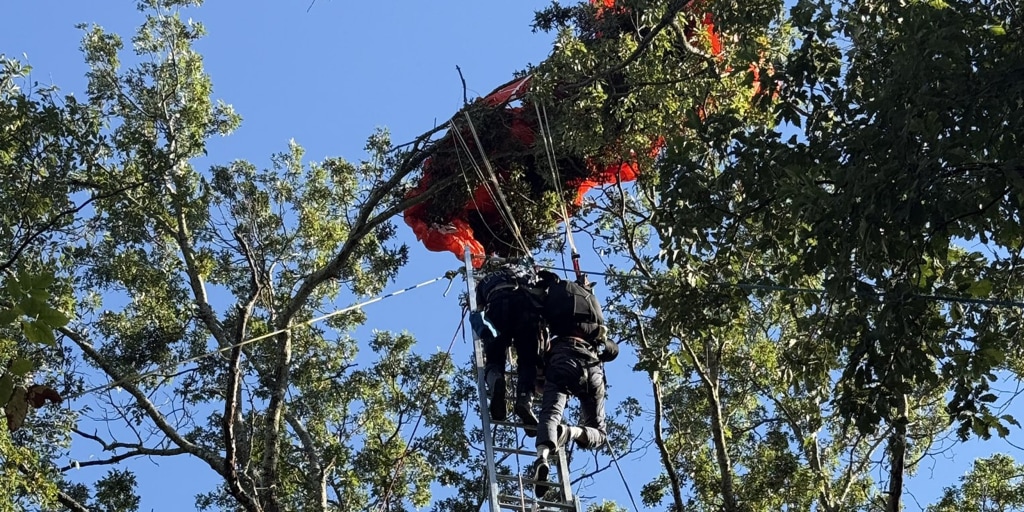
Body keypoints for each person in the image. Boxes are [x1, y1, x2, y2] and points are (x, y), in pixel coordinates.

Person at [530, 271, 619, 497]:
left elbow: (539, 341)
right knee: (600, 433)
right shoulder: (592, 314)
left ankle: (542, 456)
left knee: (551, 412)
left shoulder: (555, 314)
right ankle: (571, 432)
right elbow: (611, 349)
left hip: (564, 359)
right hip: (593, 367)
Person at [471, 261, 546, 428]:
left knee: (495, 357)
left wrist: (487, 333)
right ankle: (525, 399)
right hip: (525, 308)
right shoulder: (525, 275)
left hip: (497, 305)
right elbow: (542, 295)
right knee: (528, 360)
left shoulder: (485, 281)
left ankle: (496, 379)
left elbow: (480, 310)